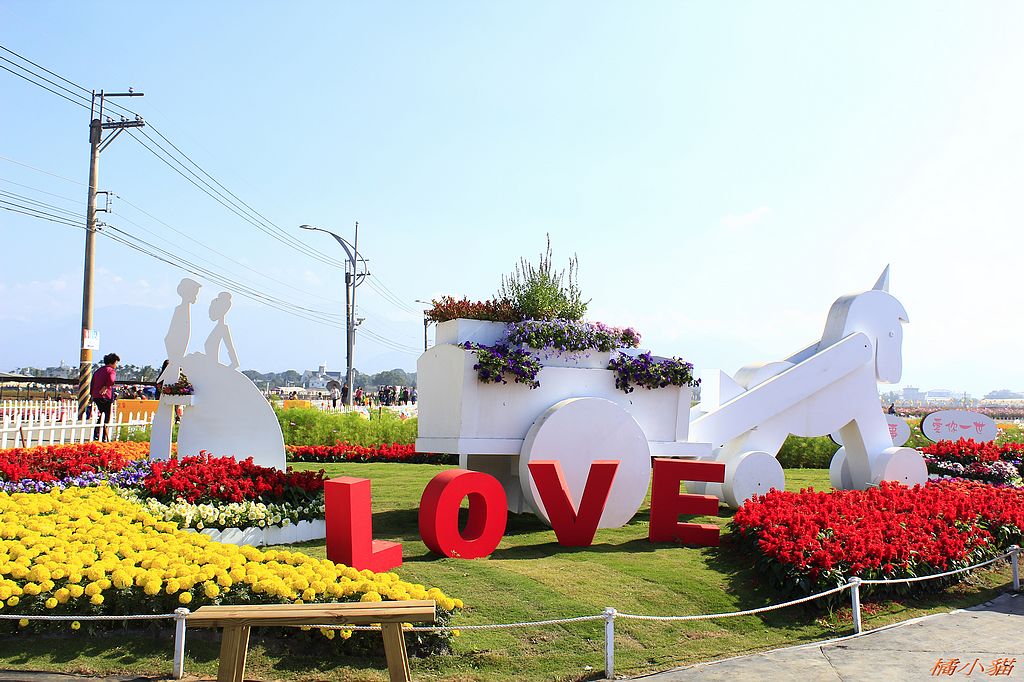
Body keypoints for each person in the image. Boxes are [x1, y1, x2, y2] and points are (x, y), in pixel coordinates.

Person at [91, 352, 119, 441]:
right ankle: (100, 434)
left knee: (102, 414)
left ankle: (98, 433)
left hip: (96, 396)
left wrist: (92, 394)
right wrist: (106, 386)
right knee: (106, 416)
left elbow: (92, 383)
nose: (116, 365)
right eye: (116, 363)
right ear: (112, 362)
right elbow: (111, 380)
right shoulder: (111, 370)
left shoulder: (98, 371)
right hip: (105, 396)